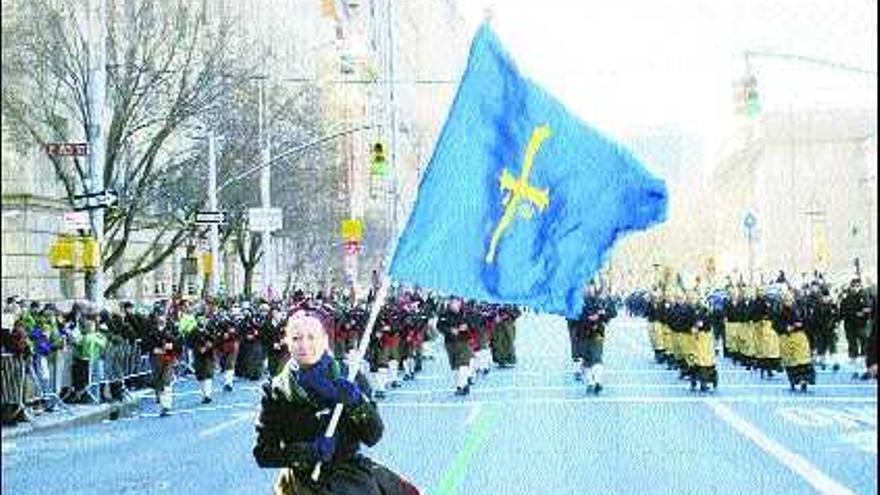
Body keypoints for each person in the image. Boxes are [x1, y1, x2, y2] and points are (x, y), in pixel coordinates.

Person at [253, 309, 420, 495]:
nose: (304, 345)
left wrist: (356, 403)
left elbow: (373, 435)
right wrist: (308, 452)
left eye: (311, 337)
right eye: (296, 338)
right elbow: (263, 454)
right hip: (301, 483)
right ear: (287, 341)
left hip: (351, 479)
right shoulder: (275, 389)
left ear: (324, 340)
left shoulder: (350, 376)